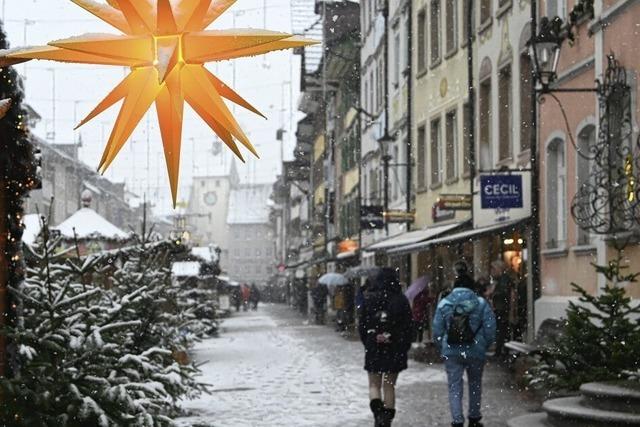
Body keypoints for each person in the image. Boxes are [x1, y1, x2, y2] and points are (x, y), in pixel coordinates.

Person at [433, 268, 496, 427]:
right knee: (475, 384)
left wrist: (442, 346)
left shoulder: (445, 303)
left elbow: (437, 330)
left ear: (455, 287)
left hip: (452, 351)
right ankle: (474, 418)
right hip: (476, 351)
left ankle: (457, 420)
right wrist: (484, 345)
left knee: (454, 386)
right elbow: (490, 328)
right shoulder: (481, 303)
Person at [358, 268, 412, 427]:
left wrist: (368, 341)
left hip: (374, 346)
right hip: (394, 347)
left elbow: (362, 326)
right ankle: (386, 419)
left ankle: (378, 411)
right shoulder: (401, 300)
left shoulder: (369, 299)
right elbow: (409, 327)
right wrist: (403, 345)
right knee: (389, 385)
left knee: (374, 384)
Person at [490, 260, 514, 357]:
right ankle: (501, 350)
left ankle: (500, 351)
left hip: (502, 309)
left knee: (501, 330)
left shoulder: (503, 279)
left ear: (498, 269)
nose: (492, 272)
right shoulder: (501, 279)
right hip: (501, 308)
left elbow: (504, 293)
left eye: (493, 269)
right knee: (501, 330)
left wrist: (493, 293)